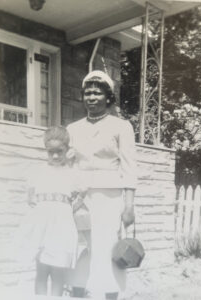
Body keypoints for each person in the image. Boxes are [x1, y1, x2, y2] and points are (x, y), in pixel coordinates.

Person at [67, 70, 137, 300]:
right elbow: (68, 165)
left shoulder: (121, 126)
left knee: (107, 246)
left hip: (109, 196)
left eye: (97, 93)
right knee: (84, 246)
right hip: (80, 197)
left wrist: (129, 206)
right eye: (87, 93)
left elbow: (128, 167)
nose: (91, 97)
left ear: (108, 97)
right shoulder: (73, 129)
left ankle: (109, 294)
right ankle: (78, 291)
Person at [15, 126, 85, 296]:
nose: (55, 156)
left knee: (58, 272)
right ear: (46, 150)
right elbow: (30, 198)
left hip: (61, 227)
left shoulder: (72, 174)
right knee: (42, 270)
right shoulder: (38, 172)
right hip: (42, 227)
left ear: (66, 150)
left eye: (59, 152)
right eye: (50, 152)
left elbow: (82, 194)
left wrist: (69, 209)